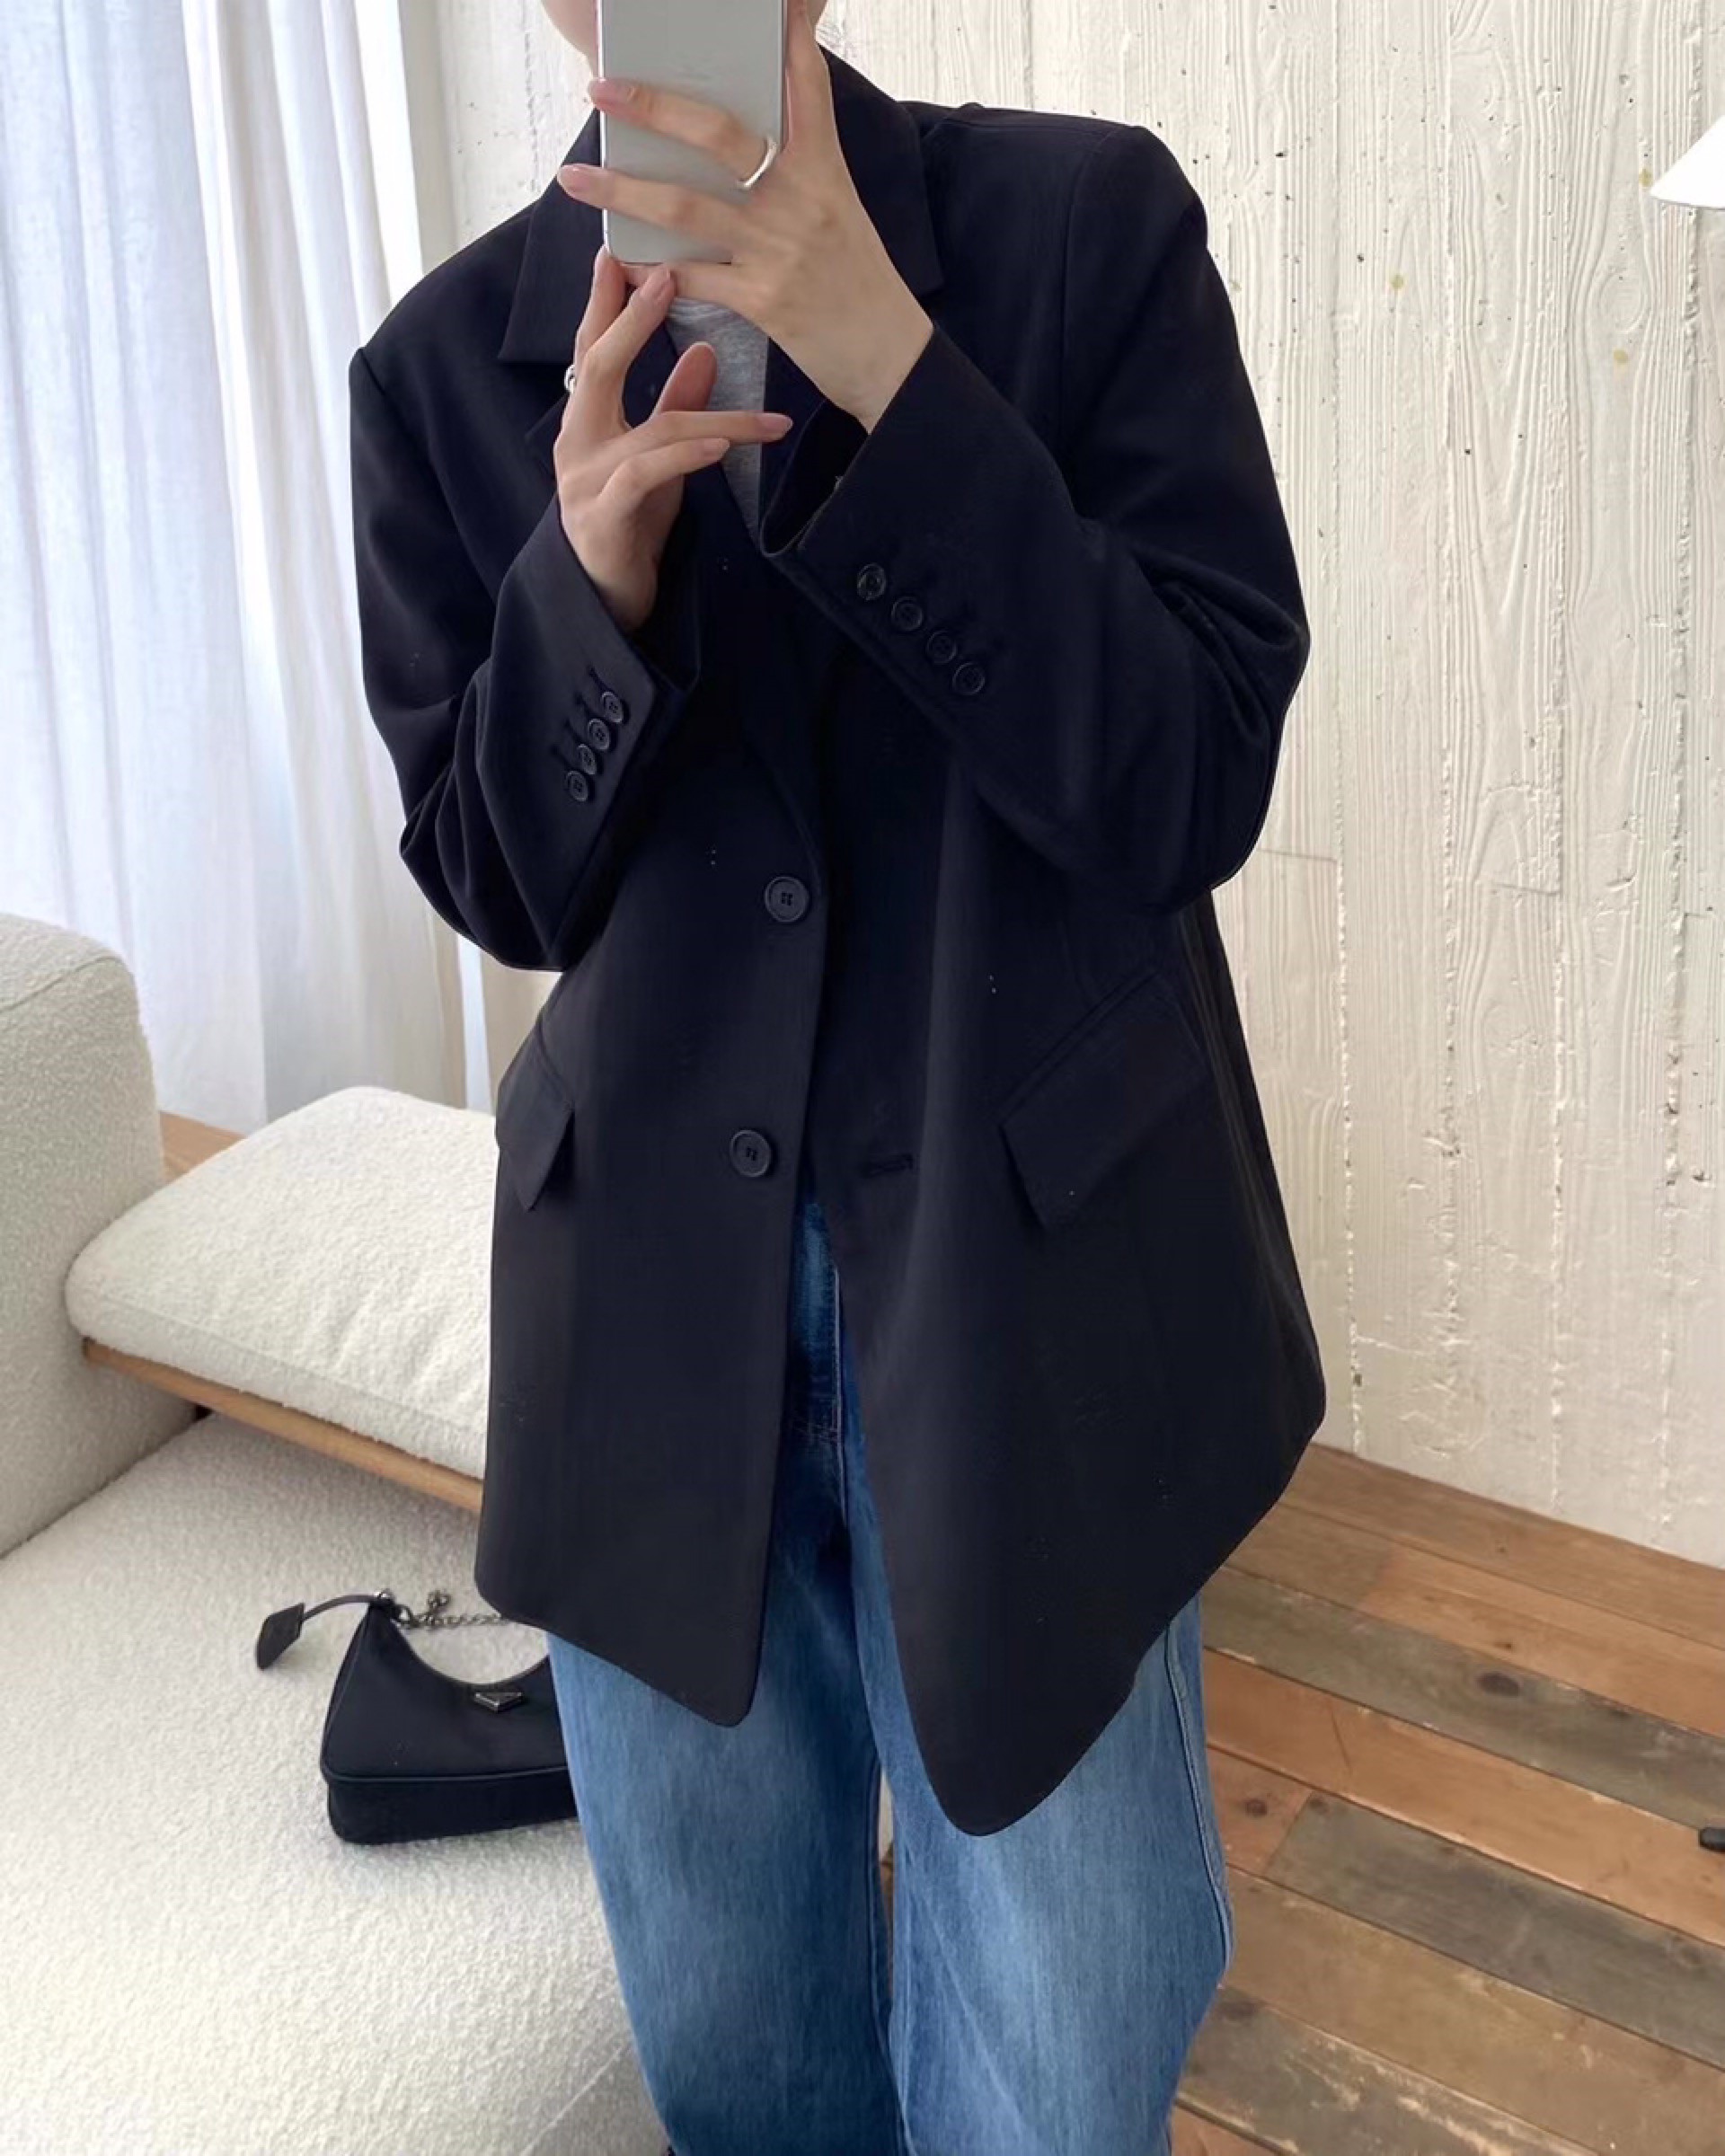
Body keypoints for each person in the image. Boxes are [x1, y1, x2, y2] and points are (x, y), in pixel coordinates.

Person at [348, 1, 1323, 2149]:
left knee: (1067, 2036)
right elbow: (494, 880)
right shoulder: (438, 372)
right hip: (635, 1322)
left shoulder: (1086, 236)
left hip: (1032, 1285)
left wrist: (895, 367)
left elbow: (1189, 779)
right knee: (735, 2041)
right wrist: (588, 587)